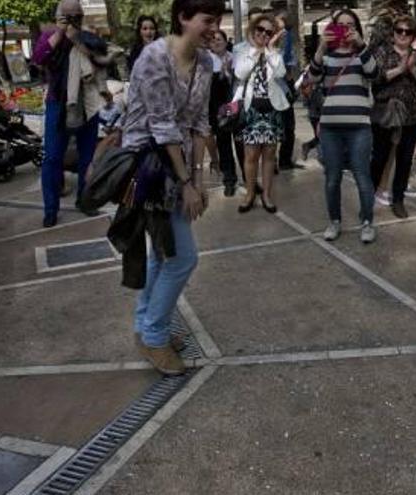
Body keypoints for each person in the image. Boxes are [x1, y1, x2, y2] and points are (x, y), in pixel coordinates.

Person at [123, 0, 222, 375]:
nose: (214, 28)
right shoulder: (153, 57)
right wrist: (185, 183)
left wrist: (197, 178)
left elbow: (199, 122)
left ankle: (145, 327)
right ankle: (154, 337)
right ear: (183, 17)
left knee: (163, 254)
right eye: (207, 20)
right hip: (147, 166)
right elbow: (162, 126)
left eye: (218, 20)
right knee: (183, 258)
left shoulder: (207, 63)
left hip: (177, 163)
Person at [32, 0, 113, 227]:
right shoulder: (49, 35)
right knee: (53, 158)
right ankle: (50, 209)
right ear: (58, 17)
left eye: (75, 16)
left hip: (87, 102)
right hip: (59, 103)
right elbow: (39, 58)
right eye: (66, 16)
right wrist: (60, 31)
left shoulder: (88, 37)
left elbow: (101, 57)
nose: (72, 20)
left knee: (88, 156)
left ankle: (85, 200)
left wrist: (76, 38)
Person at [309, 8, 378, 244]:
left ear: (357, 29)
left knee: (362, 176)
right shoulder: (327, 56)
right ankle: (334, 221)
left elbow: (375, 73)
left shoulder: (363, 54)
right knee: (332, 177)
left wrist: (361, 45)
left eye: (351, 25)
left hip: (359, 127)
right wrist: (320, 47)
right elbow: (313, 77)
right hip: (330, 128)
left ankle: (367, 222)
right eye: (341, 25)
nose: (346, 29)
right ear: (333, 28)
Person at [370, 14, 416, 219]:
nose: (403, 35)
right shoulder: (382, 52)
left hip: (411, 116)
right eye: (399, 30)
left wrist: (412, 68)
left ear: (413, 35)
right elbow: (375, 78)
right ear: (393, 32)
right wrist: (400, 69)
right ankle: (369, 195)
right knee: (379, 158)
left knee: (405, 161)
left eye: (408, 32)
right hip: (386, 114)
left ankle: (398, 200)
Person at [233, 13, 288, 214]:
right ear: (253, 29)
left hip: (272, 109)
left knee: (270, 154)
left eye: (268, 31)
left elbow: (281, 73)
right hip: (251, 109)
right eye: (260, 29)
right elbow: (240, 73)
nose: (264, 34)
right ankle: (249, 194)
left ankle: (266, 194)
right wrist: (256, 51)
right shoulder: (242, 50)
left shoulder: (275, 52)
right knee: (251, 155)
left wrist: (270, 49)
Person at [207, 29, 239, 195]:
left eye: (219, 39)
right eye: (213, 40)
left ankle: (250, 179)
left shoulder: (234, 58)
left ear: (226, 42)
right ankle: (229, 180)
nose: (216, 42)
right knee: (224, 144)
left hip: (234, 104)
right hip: (218, 109)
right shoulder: (208, 60)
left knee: (240, 143)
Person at [274, 11, 301, 171]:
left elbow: (288, 62)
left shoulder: (285, 37)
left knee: (286, 125)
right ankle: (282, 160)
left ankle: (282, 160)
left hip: (283, 84)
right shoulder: (285, 38)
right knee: (286, 125)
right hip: (282, 84)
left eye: (278, 21)